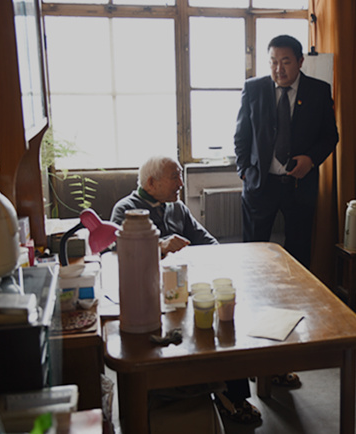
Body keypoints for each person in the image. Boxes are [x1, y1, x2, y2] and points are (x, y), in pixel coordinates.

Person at [110, 156, 261, 424]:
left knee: (226, 323)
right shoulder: (126, 210)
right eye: (175, 177)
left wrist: (223, 261)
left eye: (180, 176)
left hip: (187, 287)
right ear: (151, 182)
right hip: (152, 297)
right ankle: (216, 392)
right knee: (202, 331)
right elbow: (117, 253)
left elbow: (206, 241)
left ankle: (235, 392)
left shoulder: (177, 207)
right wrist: (160, 246)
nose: (181, 183)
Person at [234, 34, 339, 269]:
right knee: (254, 251)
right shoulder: (254, 89)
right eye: (273, 62)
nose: (278, 69)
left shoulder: (318, 91)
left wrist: (311, 160)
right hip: (260, 183)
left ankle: (296, 293)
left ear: (300, 61)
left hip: (299, 185)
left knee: (299, 252)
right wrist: (244, 171)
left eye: (286, 62)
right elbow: (241, 135)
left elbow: (330, 136)